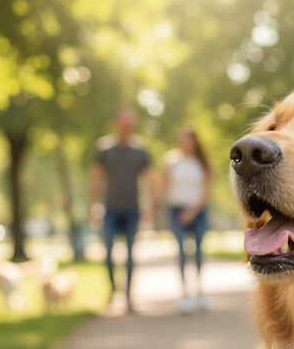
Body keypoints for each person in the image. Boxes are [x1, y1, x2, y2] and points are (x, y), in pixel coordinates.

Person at [88, 109, 158, 312]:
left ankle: (128, 297)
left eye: (129, 121)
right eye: (123, 121)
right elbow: (96, 178)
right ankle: (112, 290)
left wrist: (150, 208)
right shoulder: (105, 149)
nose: (126, 125)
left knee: (130, 254)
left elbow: (149, 180)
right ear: (116, 123)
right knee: (108, 250)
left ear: (133, 124)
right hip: (110, 209)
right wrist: (92, 205)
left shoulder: (140, 150)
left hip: (132, 209)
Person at [163, 126, 212, 314]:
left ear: (194, 141)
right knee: (182, 250)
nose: (185, 143)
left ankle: (199, 290)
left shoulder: (203, 162)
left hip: (198, 211)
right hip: (176, 210)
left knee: (198, 250)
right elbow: (164, 186)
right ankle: (184, 293)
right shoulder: (171, 160)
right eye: (182, 139)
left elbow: (206, 191)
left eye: (188, 139)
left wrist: (193, 210)